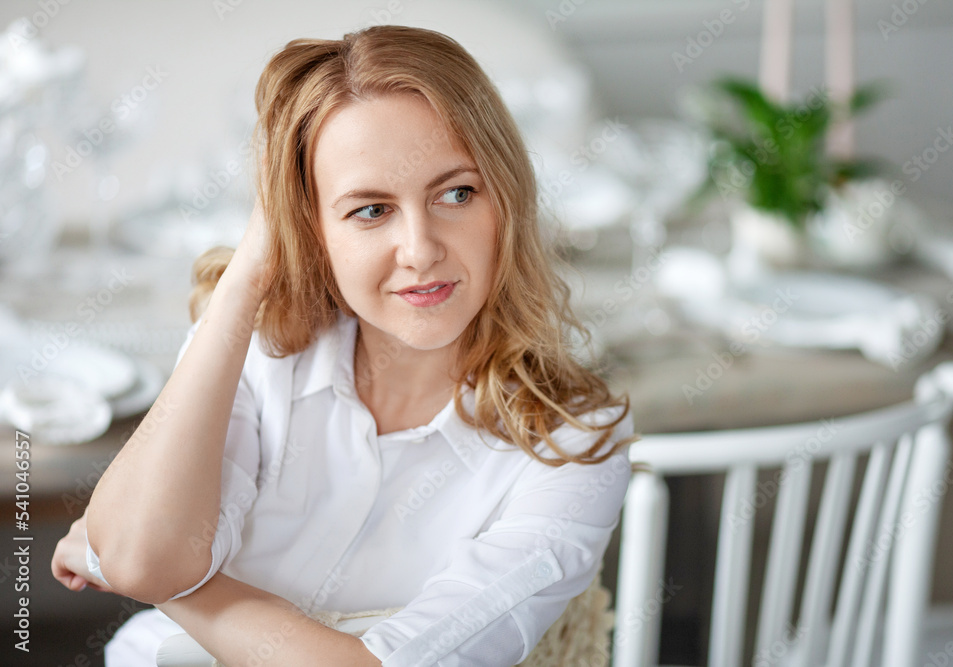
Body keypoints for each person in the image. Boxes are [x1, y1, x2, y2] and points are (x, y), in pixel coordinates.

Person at [51, 25, 635, 666]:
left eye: (456, 193)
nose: (420, 251)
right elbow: (140, 554)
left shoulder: (573, 443)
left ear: (507, 199)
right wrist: (245, 278)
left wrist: (173, 589)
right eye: (370, 210)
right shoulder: (257, 351)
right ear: (308, 227)